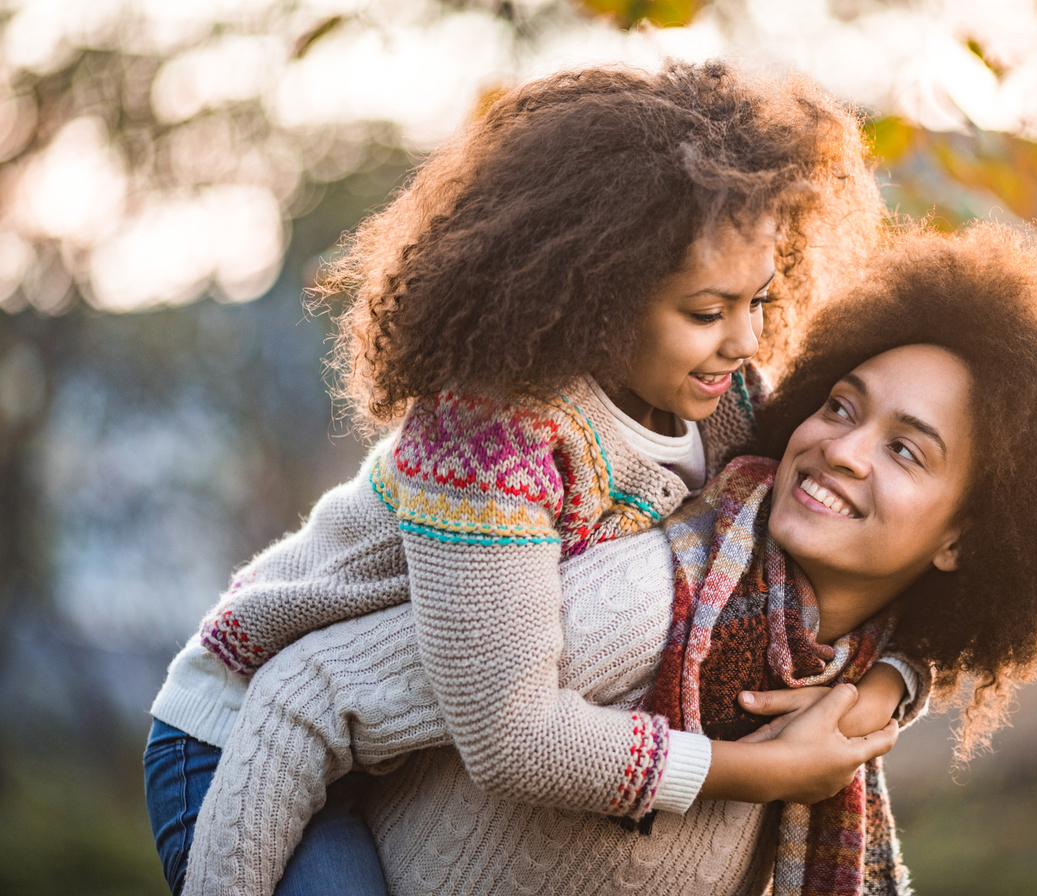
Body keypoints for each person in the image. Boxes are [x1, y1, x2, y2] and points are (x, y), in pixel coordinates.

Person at [181, 221, 1037, 896]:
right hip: (243, 752)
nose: (842, 447)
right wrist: (760, 772)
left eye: (909, 448)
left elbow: (927, 642)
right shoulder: (648, 599)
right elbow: (304, 691)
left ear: (964, 541)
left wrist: (895, 681)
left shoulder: (842, 664)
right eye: (842, 404)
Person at [145, 59, 898, 896]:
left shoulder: (728, 406)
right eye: (705, 311)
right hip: (251, 734)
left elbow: (874, 556)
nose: (746, 339)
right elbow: (514, 739)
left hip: (392, 740)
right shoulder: (491, 433)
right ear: (602, 292)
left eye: (758, 300)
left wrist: (896, 680)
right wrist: (766, 771)